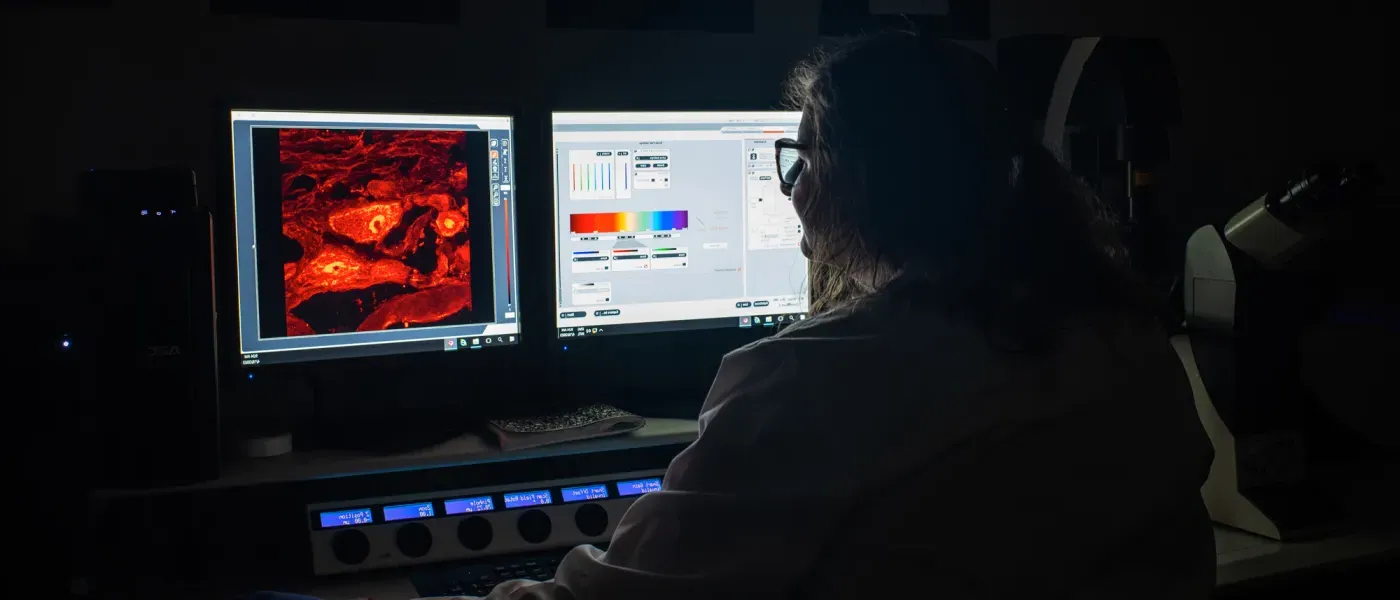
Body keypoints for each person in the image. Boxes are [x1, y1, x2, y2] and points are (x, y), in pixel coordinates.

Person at [470, 30, 1217, 599]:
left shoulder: (808, 377)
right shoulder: (1130, 334)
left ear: (855, 183)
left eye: (800, 161)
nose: (789, 187)